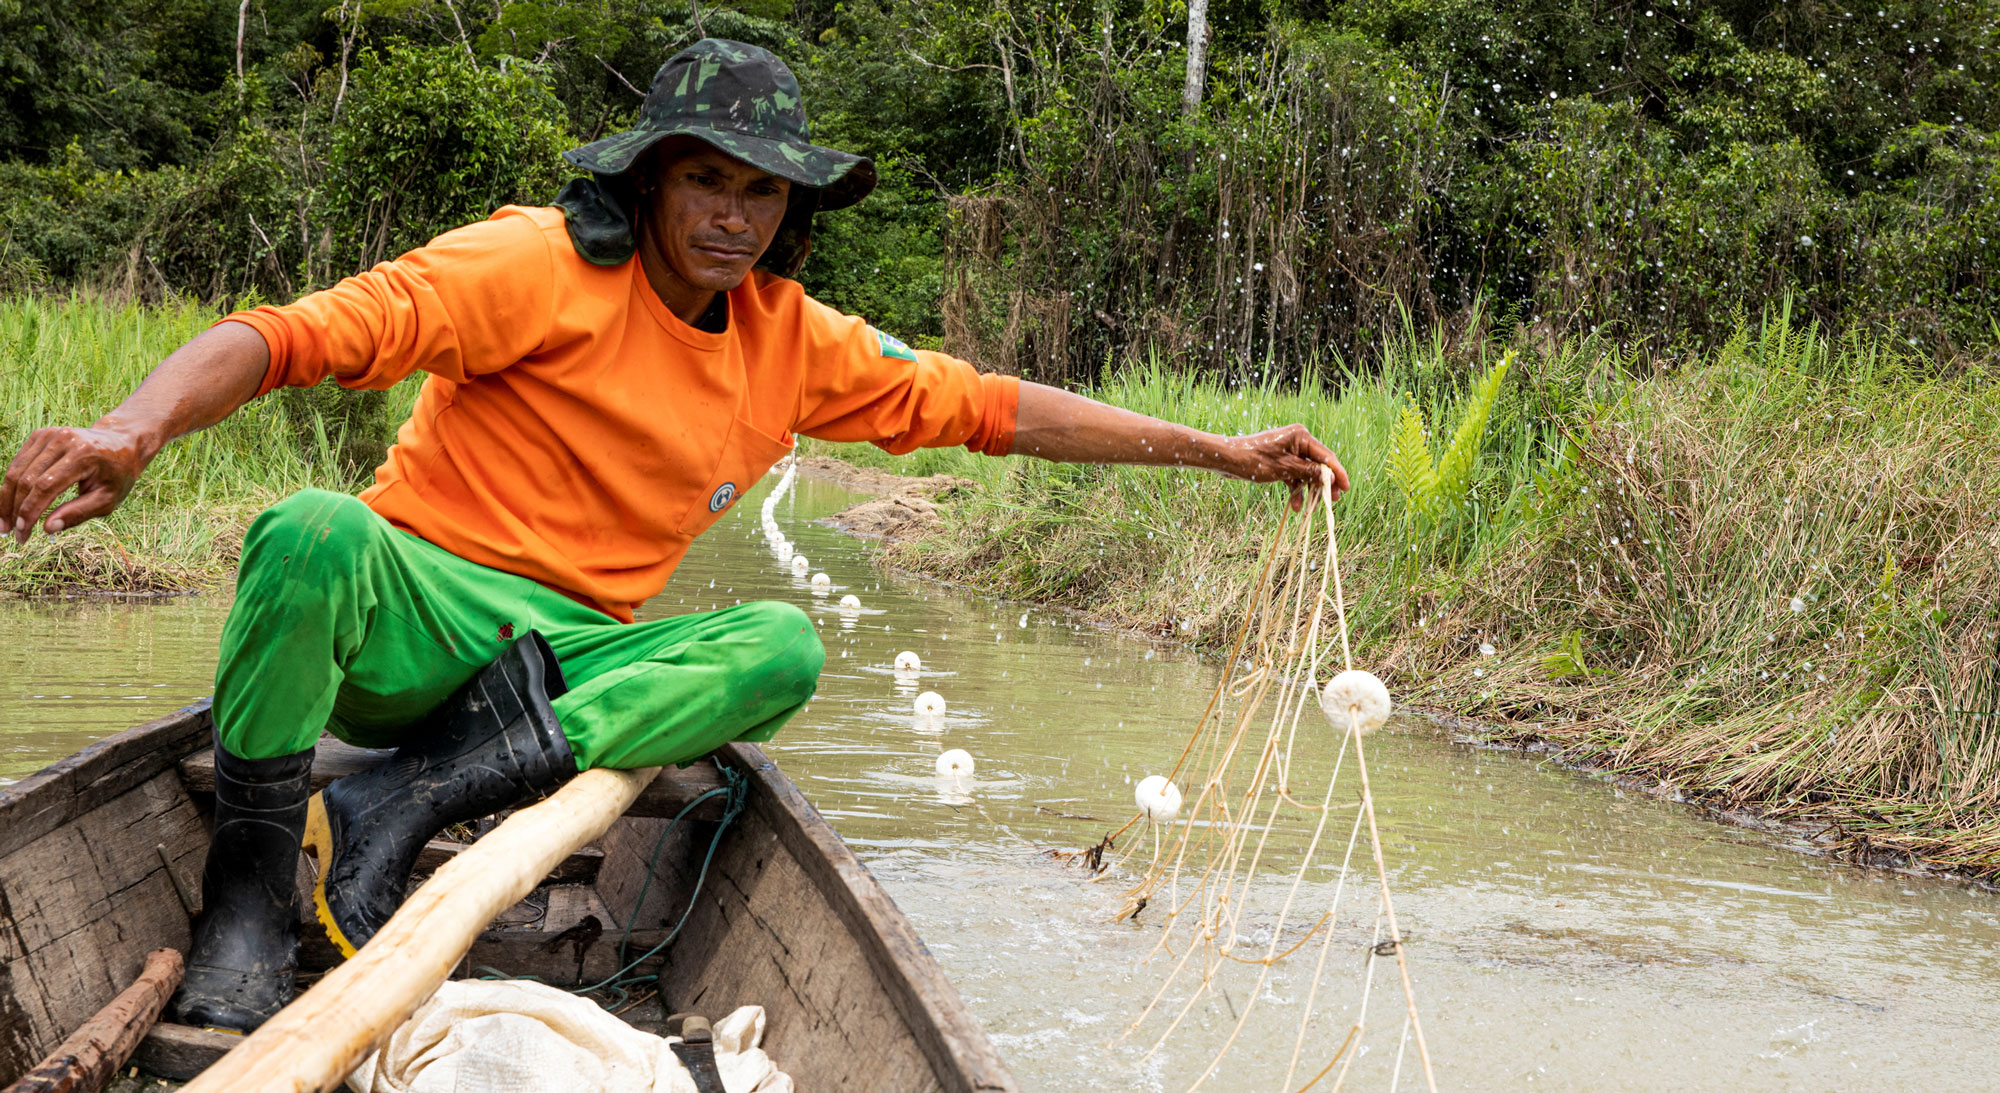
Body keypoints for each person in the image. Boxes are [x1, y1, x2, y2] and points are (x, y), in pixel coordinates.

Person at [0, 39, 1348, 1031]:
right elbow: (289, 336)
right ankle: (247, 902)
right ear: (648, 183)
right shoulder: (530, 265)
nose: (732, 218)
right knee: (306, 529)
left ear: (790, 210)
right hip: (415, 619)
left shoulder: (789, 340)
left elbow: (992, 408)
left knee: (779, 646)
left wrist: (1223, 450)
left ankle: (397, 801)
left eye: (761, 194)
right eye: (705, 181)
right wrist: (133, 426)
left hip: (561, 662)